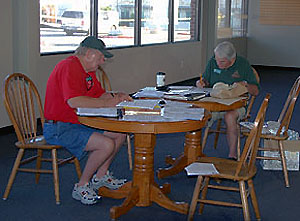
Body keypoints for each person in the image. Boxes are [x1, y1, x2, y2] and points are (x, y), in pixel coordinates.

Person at [43, 36, 132, 205]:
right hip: (59, 127)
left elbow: (99, 94)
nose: (103, 60)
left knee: (120, 133)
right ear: (89, 54)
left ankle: (101, 176)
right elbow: (74, 101)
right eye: (101, 56)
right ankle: (82, 185)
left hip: (78, 122)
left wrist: (116, 96)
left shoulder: (88, 71)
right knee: (106, 144)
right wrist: (107, 103)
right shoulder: (69, 67)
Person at [196, 41, 259, 159]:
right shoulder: (213, 62)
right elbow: (206, 81)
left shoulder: (243, 64)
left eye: (222, 61)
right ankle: (194, 152)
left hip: (236, 104)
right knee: (198, 114)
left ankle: (232, 155)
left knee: (230, 117)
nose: (218, 63)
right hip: (216, 102)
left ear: (232, 59)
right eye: (217, 60)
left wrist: (245, 84)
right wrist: (201, 83)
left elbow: (255, 91)